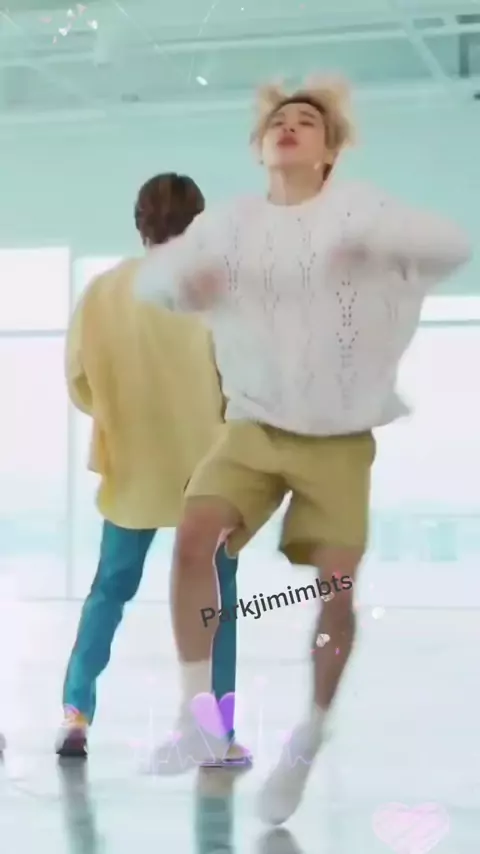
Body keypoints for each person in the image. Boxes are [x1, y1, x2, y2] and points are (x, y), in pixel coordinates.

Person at [134, 78, 471, 819]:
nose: (289, 127)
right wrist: (186, 282)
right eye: (278, 121)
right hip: (253, 427)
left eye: (306, 121)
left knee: (336, 590)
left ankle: (309, 735)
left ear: (330, 149)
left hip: (339, 439)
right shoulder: (230, 222)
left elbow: (452, 245)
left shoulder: (363, 208)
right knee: (193, 538)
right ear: (261, 147)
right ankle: (198, 718)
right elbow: (154, 279)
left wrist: (378, 247)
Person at [56, 173, 250, 767]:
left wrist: (119, 417)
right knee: (217, 599)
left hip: (132, 466)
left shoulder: (103, 293)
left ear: (140, 223)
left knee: (109, 590)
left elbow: (79, 382)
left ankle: (75, 712)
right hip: (207, 470)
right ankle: (215, 730)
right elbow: (240, 385)